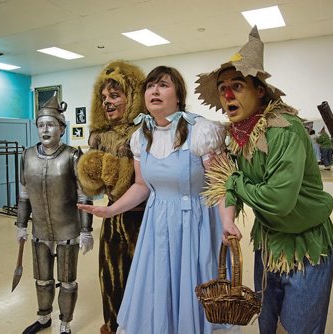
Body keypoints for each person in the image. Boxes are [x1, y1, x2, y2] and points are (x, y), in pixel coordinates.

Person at [196, 26, 333, 334]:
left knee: (297, 328)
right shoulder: (236, 136)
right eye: (222, 88)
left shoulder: (284, 129)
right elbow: (226, 178)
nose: (228, 94)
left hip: (307, 247)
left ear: (259, 90)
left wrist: (235, 183)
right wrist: (228, 219)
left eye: (237, 85)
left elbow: (278, 200)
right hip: (268, 246)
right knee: (268, 325)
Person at [79, 65, 240, 334]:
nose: (155, 90)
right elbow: (142, 186)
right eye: (150, 86)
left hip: (196, 225)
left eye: (163, 85)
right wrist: (111, 211)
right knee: (159, 289)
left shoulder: (201, 131)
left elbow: (222, 184)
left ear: (178, 95)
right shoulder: (140, 137)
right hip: (157, 226)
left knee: (194, 291)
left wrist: (227, 220)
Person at [76, 61, 146, 334]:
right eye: (104, 97)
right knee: (110, 278)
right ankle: (113, 326)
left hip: (141, 219)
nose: (108, 102)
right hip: (111, 218)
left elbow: (146, 181)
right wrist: (92, 168)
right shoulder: (99, 135)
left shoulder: (144, 131)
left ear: (132, 97)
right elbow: (91, 186)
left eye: (115, 96)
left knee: (140, 278)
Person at [16, 96, 94, 334]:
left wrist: (86, 230)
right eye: (41, 125)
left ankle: (65, 323)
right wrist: (21, 225)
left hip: (68, 229)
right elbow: (24, 194)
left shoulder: (72, 156)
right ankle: (43, 318)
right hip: (40, 229)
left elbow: (84, 196)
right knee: (42, 279)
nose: (45, 130)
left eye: (50, 125)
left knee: (67, 281)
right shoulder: (27, 156)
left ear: (62, 128)